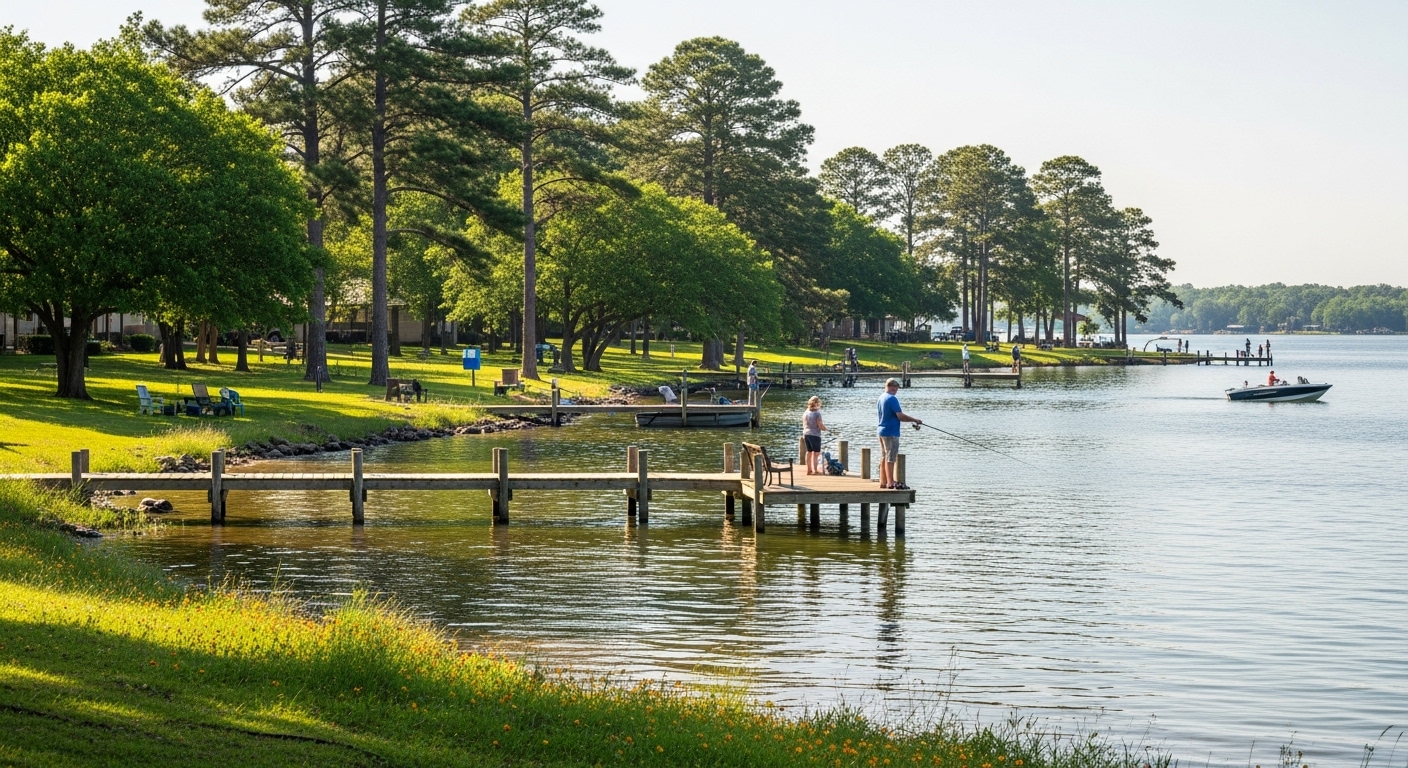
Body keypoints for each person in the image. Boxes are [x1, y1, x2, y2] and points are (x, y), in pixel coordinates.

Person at [877, 378, 922, 490]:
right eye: (896, 388)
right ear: (892, 387)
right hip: (891, 432)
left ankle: (883, 481)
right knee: (891, 458)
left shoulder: (881, 397)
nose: (897, 390)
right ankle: (891, 482)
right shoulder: (892, 399)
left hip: (881, 431)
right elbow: (900, 416)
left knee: (884, 456)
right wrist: (915, 419)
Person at [802, 396, 827, 475]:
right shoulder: (817, 413)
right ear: (816, 403)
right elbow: (820, 425)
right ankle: (815, 470)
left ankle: (809, 469)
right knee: (816, 453)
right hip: (815, 435)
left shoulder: (806, 412)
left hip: (806, 434)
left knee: (809, 452)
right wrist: (824, 428)